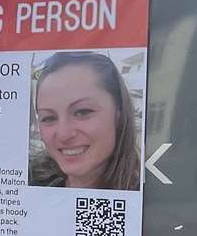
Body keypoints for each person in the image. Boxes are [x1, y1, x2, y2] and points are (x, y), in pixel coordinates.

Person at [29, 50, 141, 191]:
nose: (64, 134)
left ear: (119, 113)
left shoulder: (150, 203)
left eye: (82, 112)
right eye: (49, 118)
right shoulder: (30, 185)